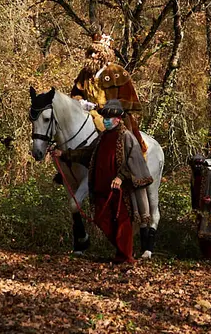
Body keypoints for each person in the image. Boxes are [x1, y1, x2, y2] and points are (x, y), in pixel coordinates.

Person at [58, 99, 153, 264]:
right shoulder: (102, 137)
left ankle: (126, 256)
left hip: (119, 192)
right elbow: (88, 154)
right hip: (101, 189)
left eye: (109, 117)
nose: (106, 120)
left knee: (123, 222)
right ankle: (121, 252)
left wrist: (120, 177)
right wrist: (65, 154)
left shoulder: (126, 137)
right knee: (103, 220)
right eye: (105, 117)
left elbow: (133, 160)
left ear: (118, 119)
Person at [70, 33, 147, 154]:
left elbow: (128, 100)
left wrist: (106, 108)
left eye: (96, 53)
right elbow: (75, 93)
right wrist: (80, 102)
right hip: (87, 112)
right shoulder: (84, 73)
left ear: (105, 55)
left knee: (124, 144)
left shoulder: (117, 72)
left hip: (113, 116)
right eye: (90, 53)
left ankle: (128, 166)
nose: (93, 56)